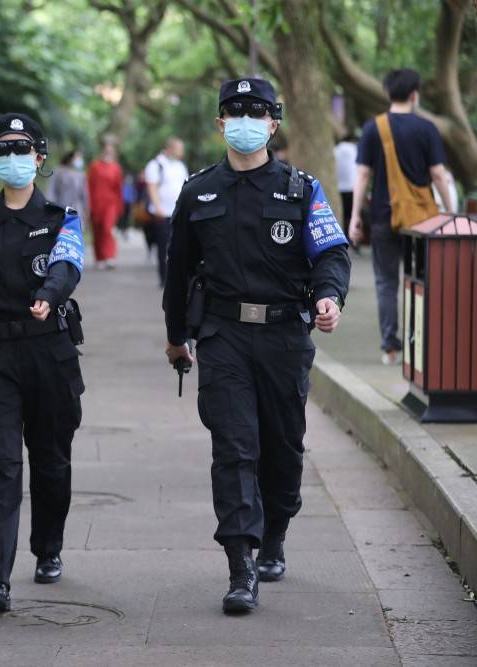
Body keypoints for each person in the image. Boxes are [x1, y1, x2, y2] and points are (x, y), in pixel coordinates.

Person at [163, 78, 351, 615]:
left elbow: (331, 254)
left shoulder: (301, 189)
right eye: (235, 112)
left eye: (256, 112)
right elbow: (178, 272)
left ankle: (275, 533)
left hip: (284, 337)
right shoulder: (198, 191)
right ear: (220, 123)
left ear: (273, 123)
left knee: (282, 448)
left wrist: (330, 296)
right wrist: (176, 337)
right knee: (234, 447)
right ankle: (240, 565)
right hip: (223, 337)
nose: (245, 121)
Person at [0, 112, 87, 613]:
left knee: (51, 463)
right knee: (0, 466)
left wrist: (50, 294)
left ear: (38, 157)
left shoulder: (62, 218)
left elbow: (68, 264)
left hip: (50, 354)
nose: (12, 158)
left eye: (21, 149)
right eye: (2, 150)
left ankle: (48, 548)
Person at [349, 68, 454, 366]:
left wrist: (355, 216)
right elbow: (438, 175)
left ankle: (390, 347)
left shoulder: (373, 128)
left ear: (388, 93)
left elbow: (363, 175)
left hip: (383, 217)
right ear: (414, 94)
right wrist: (448, 212)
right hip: (421, 221)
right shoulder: (426, 129)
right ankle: (417, 342)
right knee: (420, 281)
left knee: (386, 283)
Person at [144, 137, 189, 288]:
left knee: (179, 246)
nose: (181, 152)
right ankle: (164, 278)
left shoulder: (180, 165)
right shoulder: (156, 164)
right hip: (162, 213)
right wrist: (158, 207)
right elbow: (152, 187)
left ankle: (178, 277)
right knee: (164, 246)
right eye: (179, 149)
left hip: (178, 212)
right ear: (170, 148)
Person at [87, 137, 124, 269]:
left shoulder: (116, 168)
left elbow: (118, 188)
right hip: (95, 202)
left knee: (107, 229)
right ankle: (100, 258)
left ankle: (109, 257)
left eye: (110, 150)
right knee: (97, 230)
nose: (108, 152)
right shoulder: (95, 166)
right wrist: (88, 204)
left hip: (110, 203)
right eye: (106, 149)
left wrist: (119, 206)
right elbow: (89, 185)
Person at [333, 132, 359, 253]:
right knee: (352, 215)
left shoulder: (336, 149)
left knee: (341, 215)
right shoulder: (354, 149)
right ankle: (354, 242)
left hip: (338, 188)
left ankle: (341, 241)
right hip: (352, 188)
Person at [46, 149, 88, 216]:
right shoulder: (58, 172)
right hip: (61, 208)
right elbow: (51, 191)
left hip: (77, 211)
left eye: (80, 158)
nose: (79, 160)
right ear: (70, 159)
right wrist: (50, 207)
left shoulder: (81, 175)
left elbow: (84, 195)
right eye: (77, 157)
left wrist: (86, 211)